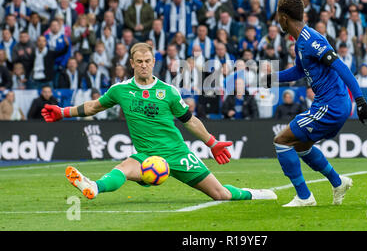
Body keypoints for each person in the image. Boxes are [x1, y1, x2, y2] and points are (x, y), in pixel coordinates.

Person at [41, 43, 276, 202]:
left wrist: (212, 142)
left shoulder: (169, 92)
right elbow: (93, 106)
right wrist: (62, 112)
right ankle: (93, 186)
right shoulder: (120, 90)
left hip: (176, 153)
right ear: (131, 63)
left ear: (153, 62)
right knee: (122, 169)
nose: (143, 64)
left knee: (221, 195)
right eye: (139, 61)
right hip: (147, 157)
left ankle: (253, 194)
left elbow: (189, 120)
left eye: (147, 60)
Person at [264, 0, 367, 207]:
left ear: (283, 18)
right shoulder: (300, 42)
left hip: (331, 106)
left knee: (282, 141)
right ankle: (338, 182)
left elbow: (340, 66)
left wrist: (360, 99)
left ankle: (304, 197)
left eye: (278, 16)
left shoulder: (311, 40)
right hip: (330, 104)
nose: (277, 20)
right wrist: (271, 78)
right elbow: (298, 71)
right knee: (302, 146)